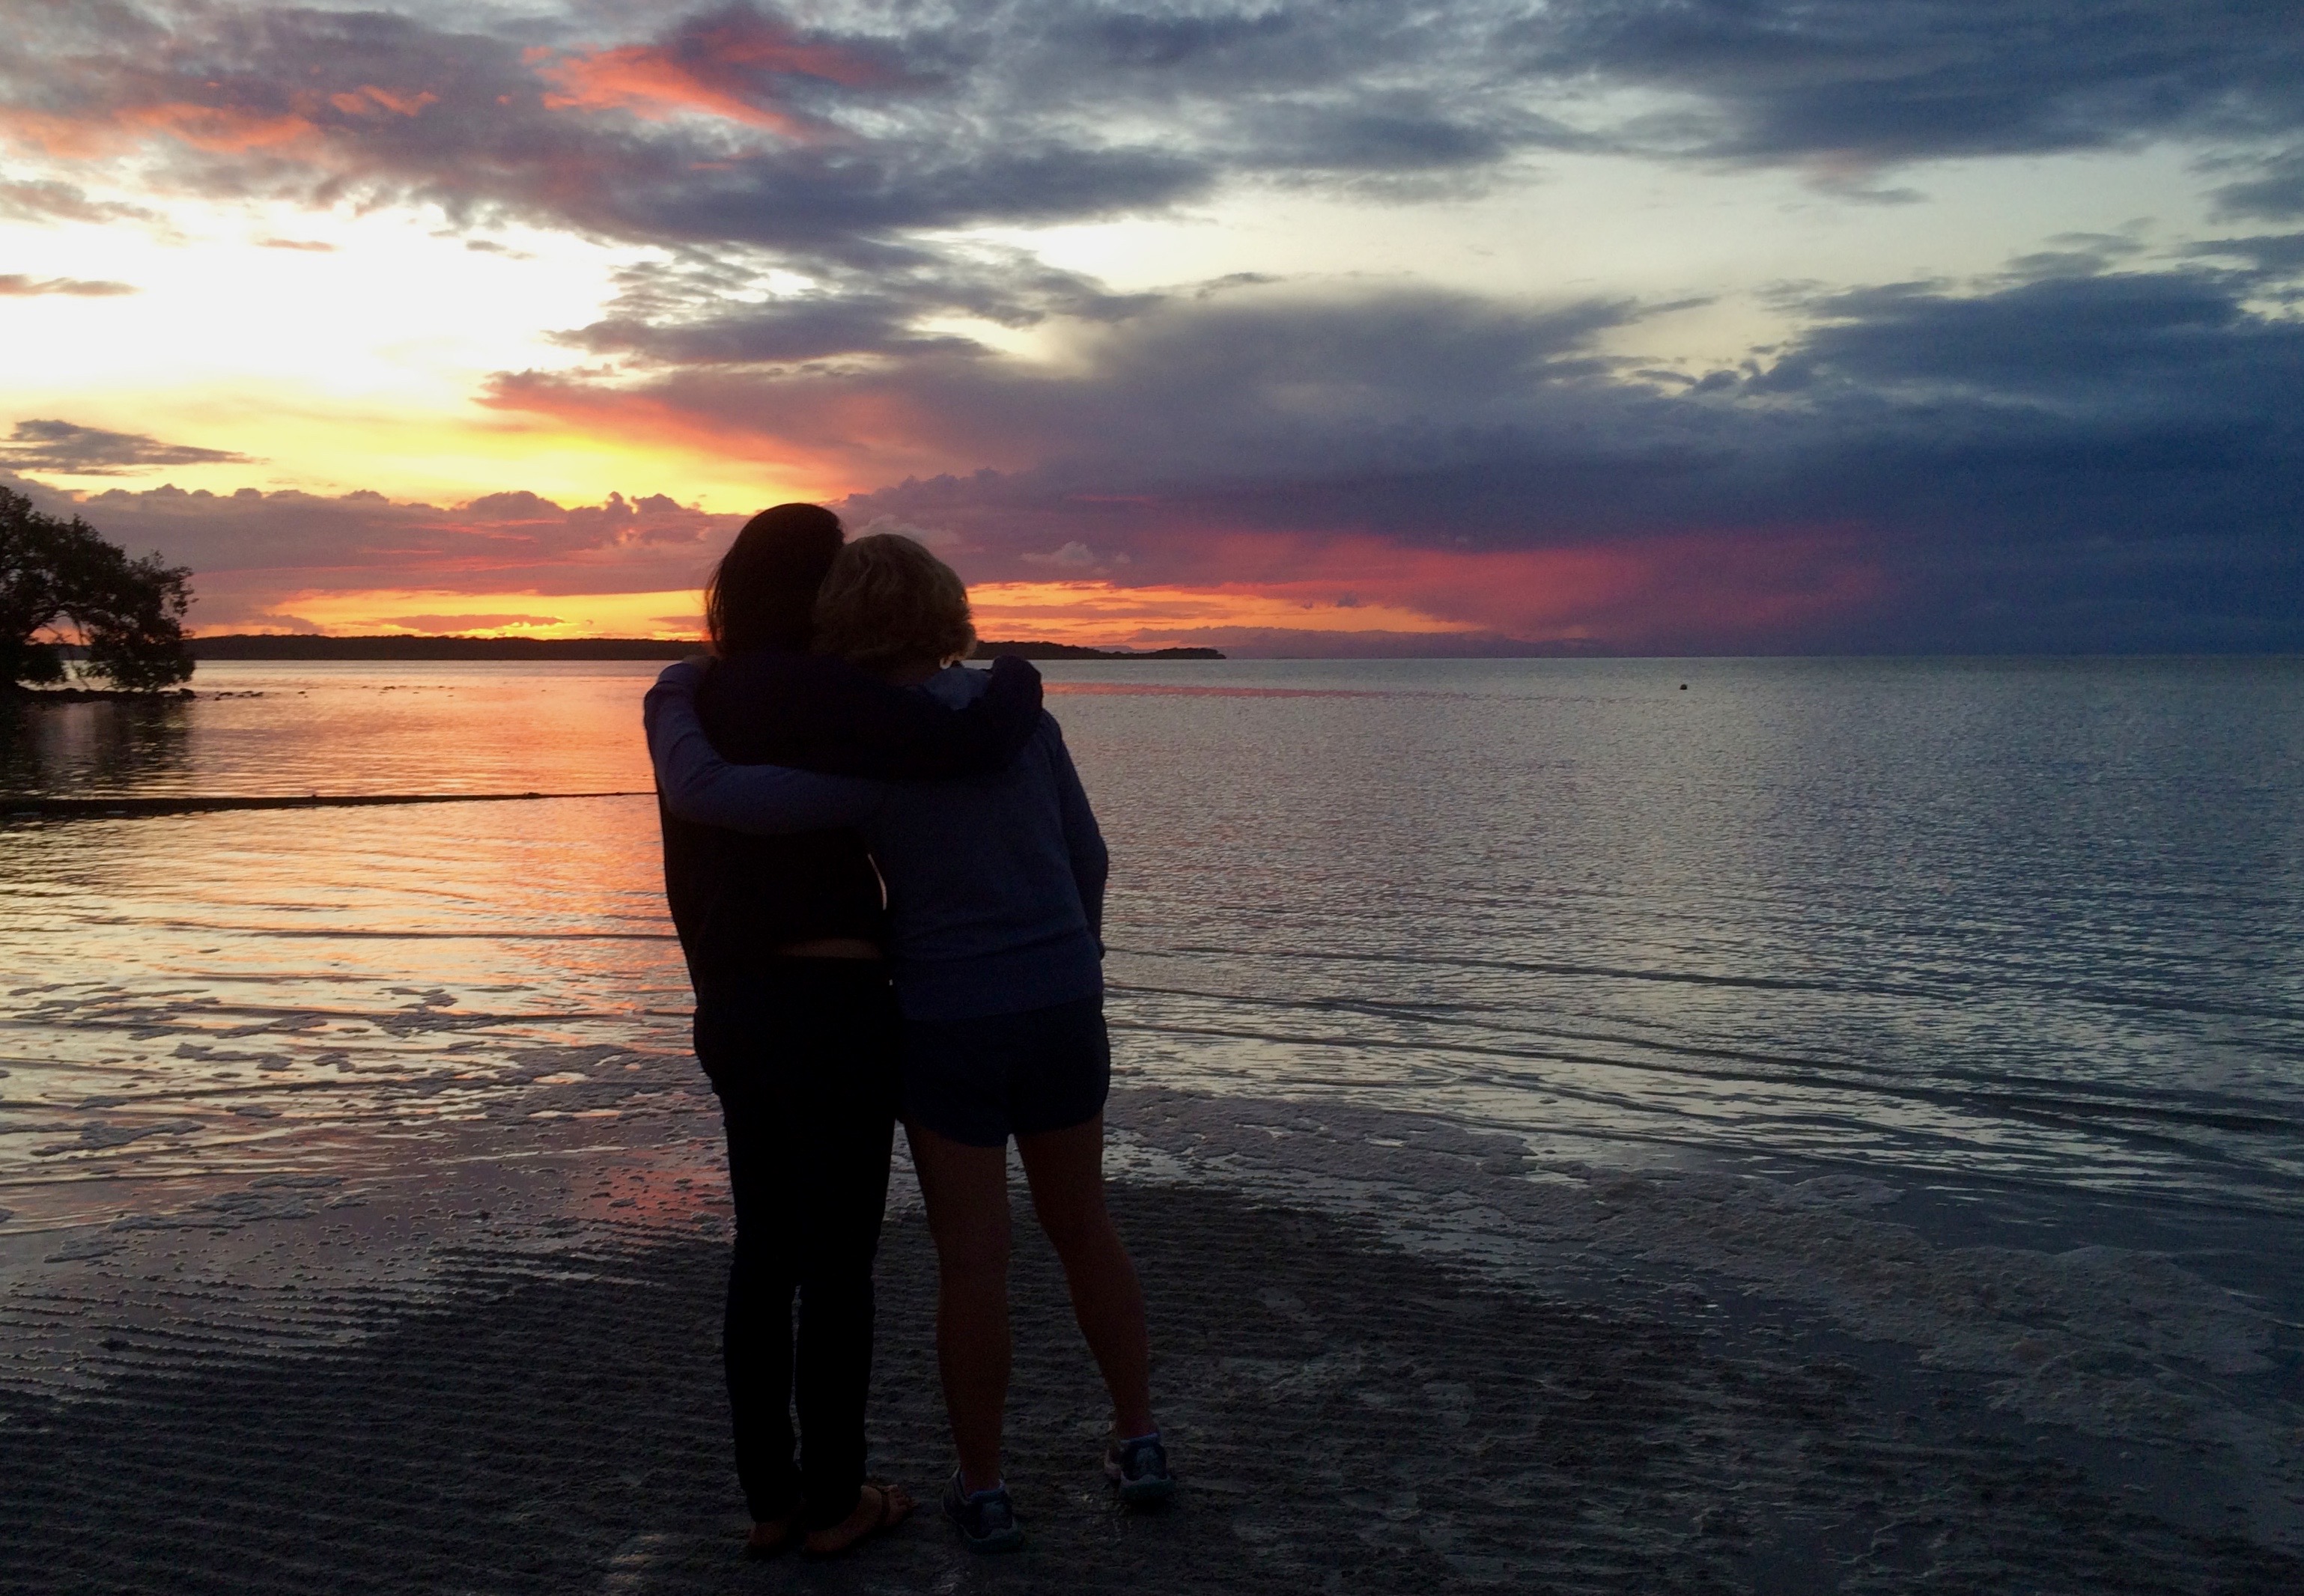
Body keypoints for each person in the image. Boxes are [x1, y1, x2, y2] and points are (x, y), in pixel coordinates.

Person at [645, 533, 1173, 1556]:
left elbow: (727, 800)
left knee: (972, 1262)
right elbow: (1089, 855)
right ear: (945, 607)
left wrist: (674, 700)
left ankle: (985, 1487)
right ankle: (1139, 1438)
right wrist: (1076, 960)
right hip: (1060, 1003)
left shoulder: (873, 757)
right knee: (1084, 1228)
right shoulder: (1027, 724)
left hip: (944, 1020)